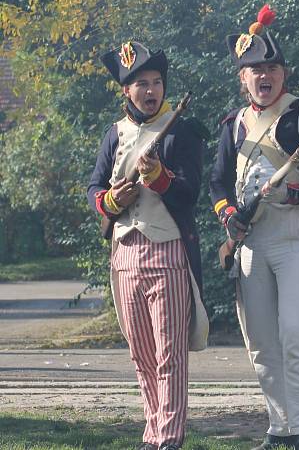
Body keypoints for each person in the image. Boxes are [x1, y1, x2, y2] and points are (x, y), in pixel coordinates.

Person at [209, 4, 299, 450]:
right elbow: (217, 184)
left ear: (283, 73)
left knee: (293, 332)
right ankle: (278, 425)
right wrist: (230, 216)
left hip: (294, 236)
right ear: (242, 78)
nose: (265, 77)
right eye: (255, 70)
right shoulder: (232, 126)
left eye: (272, 68)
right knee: (262, 341)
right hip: (252, 242)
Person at [88, 41, 208, 450]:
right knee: (141, 353)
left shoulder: (182, 131)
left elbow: (191, 194)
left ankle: (170, 438)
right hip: (124, 253)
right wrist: (110, 202)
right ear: (126, 90)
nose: (151, 90)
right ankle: (152, 431)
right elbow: (95, 186)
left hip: (168, 250)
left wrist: (159, 177)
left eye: (157, 82)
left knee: (169, 355)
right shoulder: (114, 134)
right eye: (142, 83)